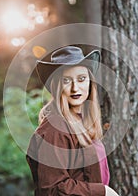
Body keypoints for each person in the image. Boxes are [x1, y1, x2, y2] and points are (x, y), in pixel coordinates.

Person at [26, 46, 119, 196]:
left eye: (81, 79)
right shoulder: (54, 129)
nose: (75, 88)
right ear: (56, 86)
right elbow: (51, 189)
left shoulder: (81, 122)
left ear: (89, 82)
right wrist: (103, 192)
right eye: (66, 80)